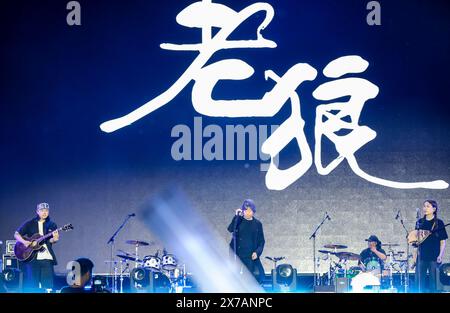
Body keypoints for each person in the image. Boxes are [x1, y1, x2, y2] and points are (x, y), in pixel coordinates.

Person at [14, 202, 59, 292]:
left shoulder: (52, 225)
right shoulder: (30, 223)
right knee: (33, 285)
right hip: (32, 258)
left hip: (47, 257)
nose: (44, 212)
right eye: (42, 210)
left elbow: (51, 241)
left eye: (46, 210)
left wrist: (55, 239)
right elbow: (16, 234)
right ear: (37, 211)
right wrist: (24, 242)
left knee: (47, 285)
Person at [227, 199, 265, 284]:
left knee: (249, 278)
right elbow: (230, 229)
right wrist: (236, 216)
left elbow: (261, 241)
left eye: (250, 211)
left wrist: (257, 252)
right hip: (237, 255)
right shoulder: (239, 220)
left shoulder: (257, 224)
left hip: (250, 256)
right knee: (235, 279)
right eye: (245, 210)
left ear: (253, 211)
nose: (248, 213)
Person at [413, 200, 448, 293]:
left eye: (428, 206)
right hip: (421, 256)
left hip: (434, 257)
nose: (425, 208)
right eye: (424, 206)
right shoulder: (419, 222)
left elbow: (443, 241)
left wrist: (440, 255)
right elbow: (416, 242)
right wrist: (414, 257)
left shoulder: (439, 223)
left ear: (434, 209)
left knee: (434, 283)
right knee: (419, 283)